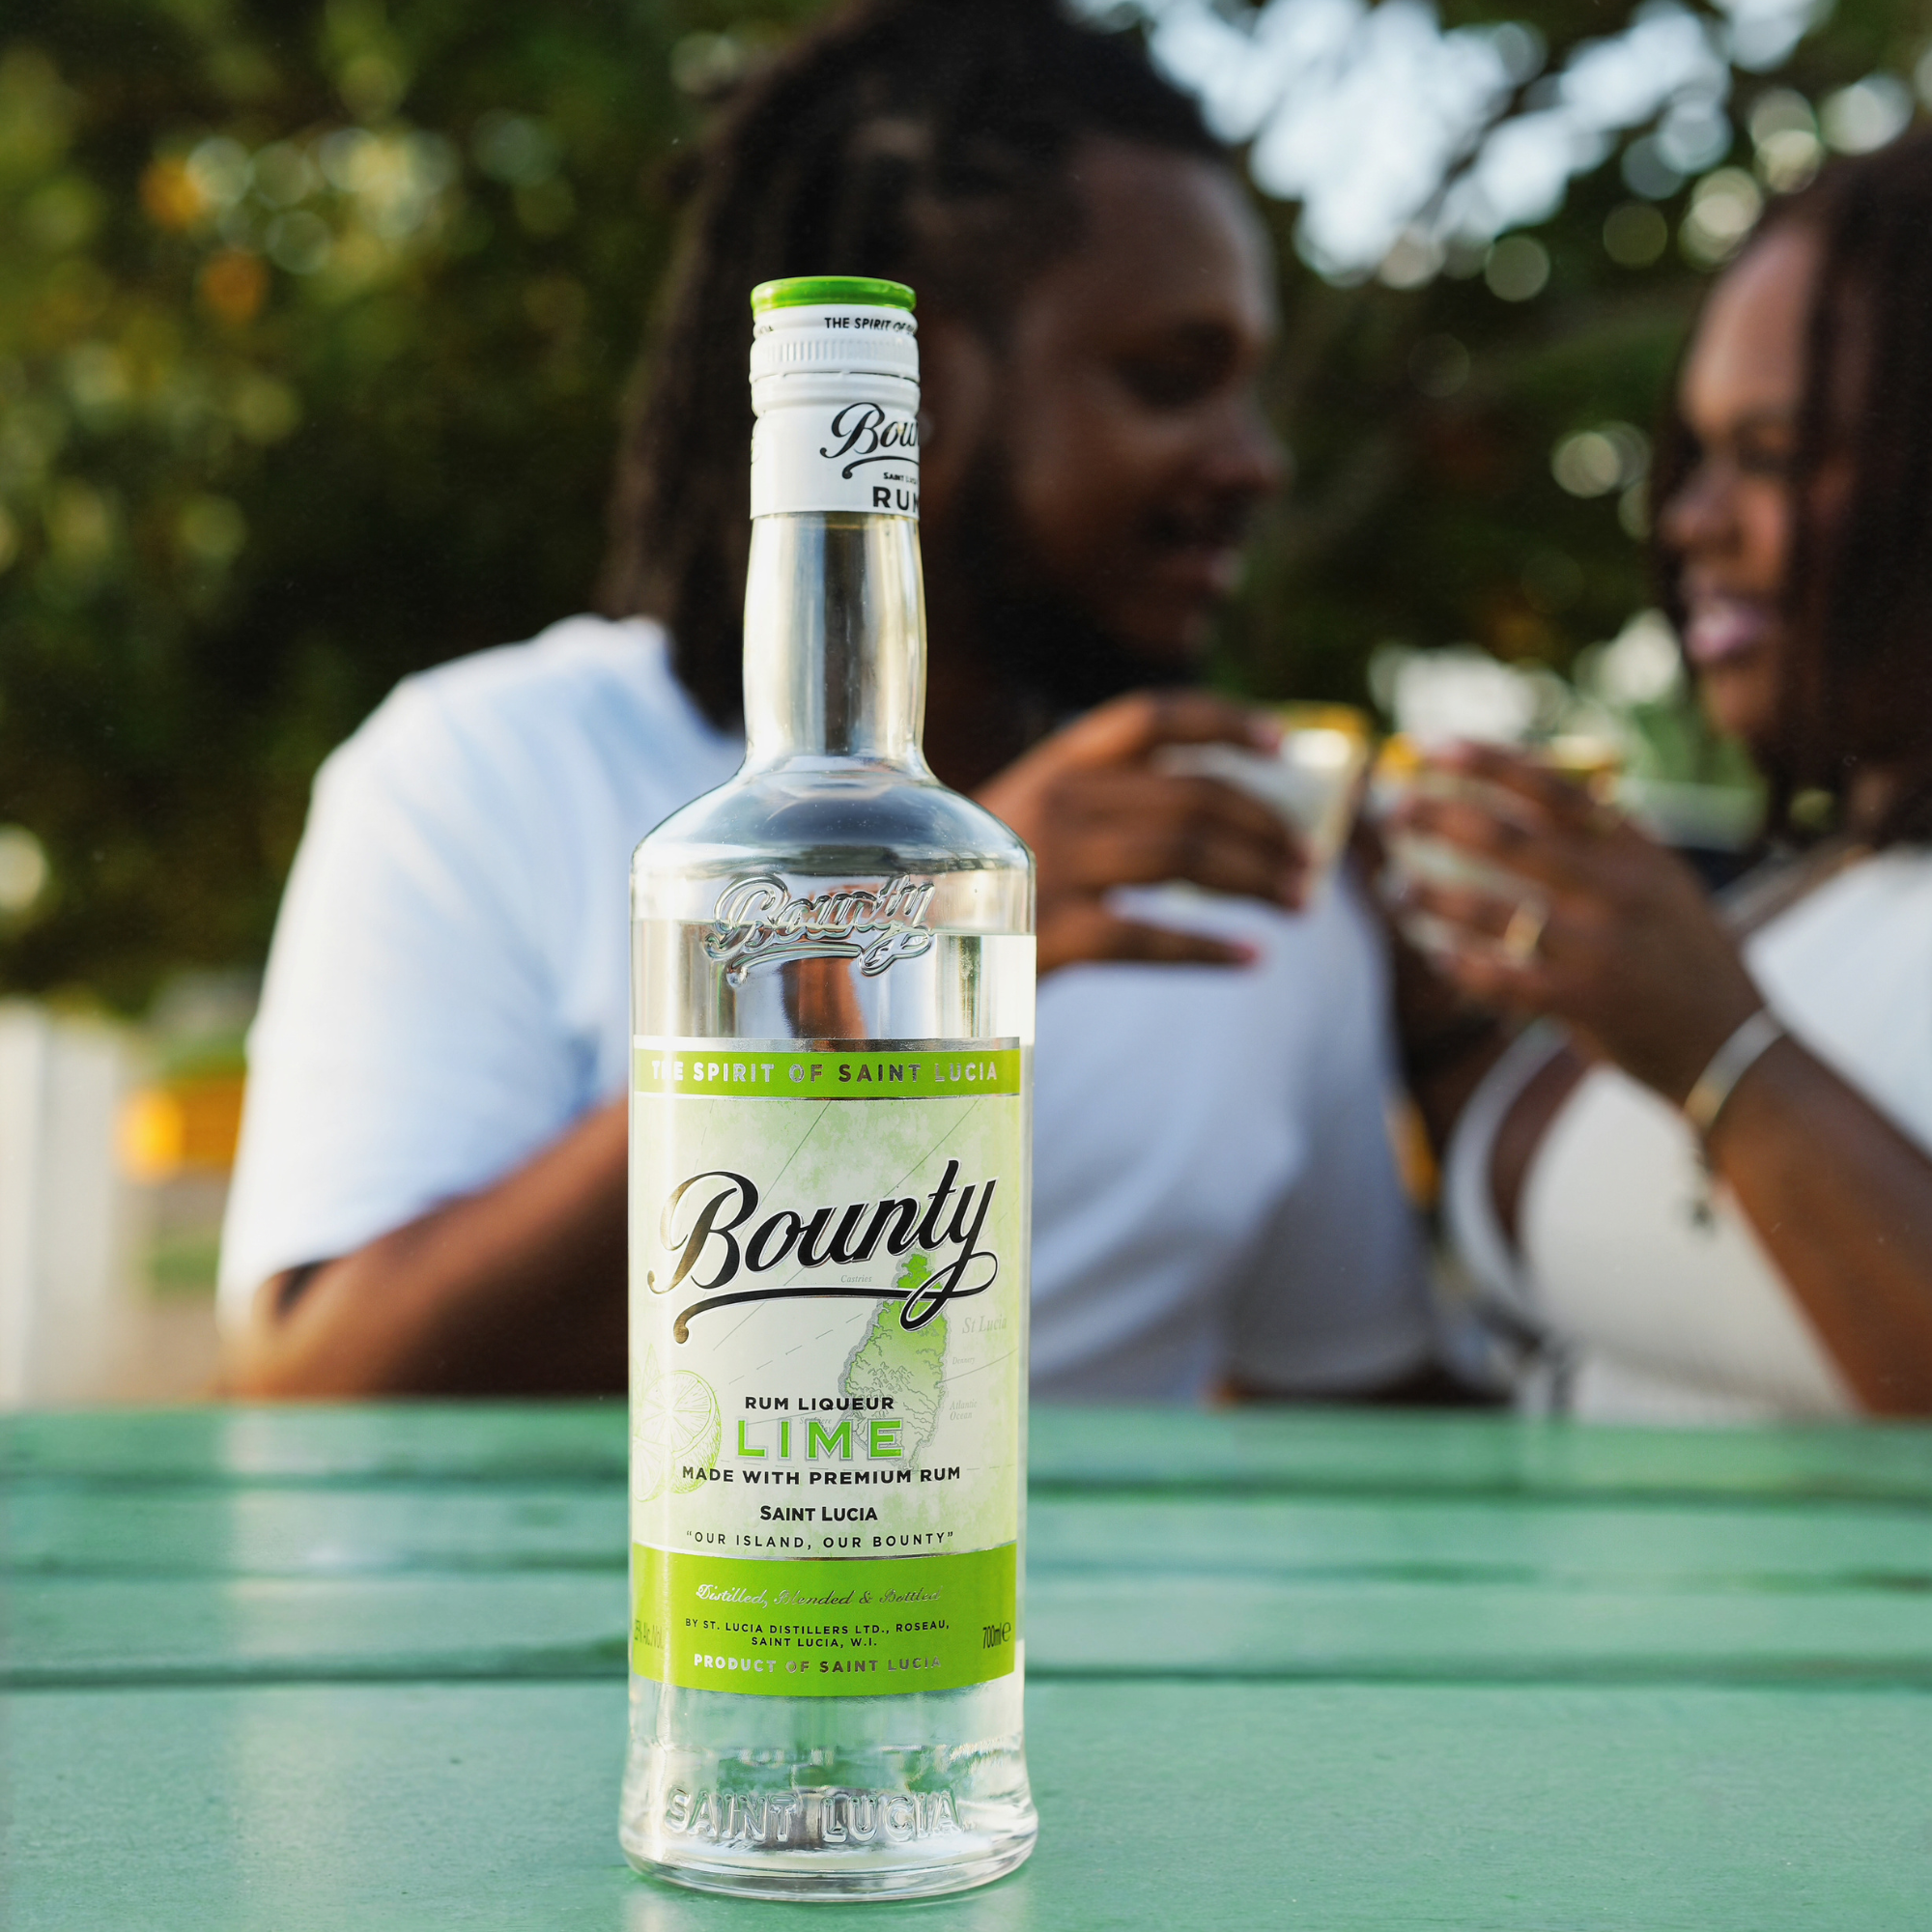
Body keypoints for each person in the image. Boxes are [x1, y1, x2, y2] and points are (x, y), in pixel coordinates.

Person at [217, 0, 1435, 1400]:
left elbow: (1350, 1401)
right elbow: (310, 1392)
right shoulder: (488, 771)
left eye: (1249, 390)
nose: (1255, 462)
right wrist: (902, 953)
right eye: (1167, 380)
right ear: (903, 393)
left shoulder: (1239, 862)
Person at [1395, 133, 1932, 1420]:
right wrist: (1444, 1013)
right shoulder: (1816, 893)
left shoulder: (1744, 973)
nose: (1692, 521)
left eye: (1778, 457)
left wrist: (1717, 1047)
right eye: (1699, 456)